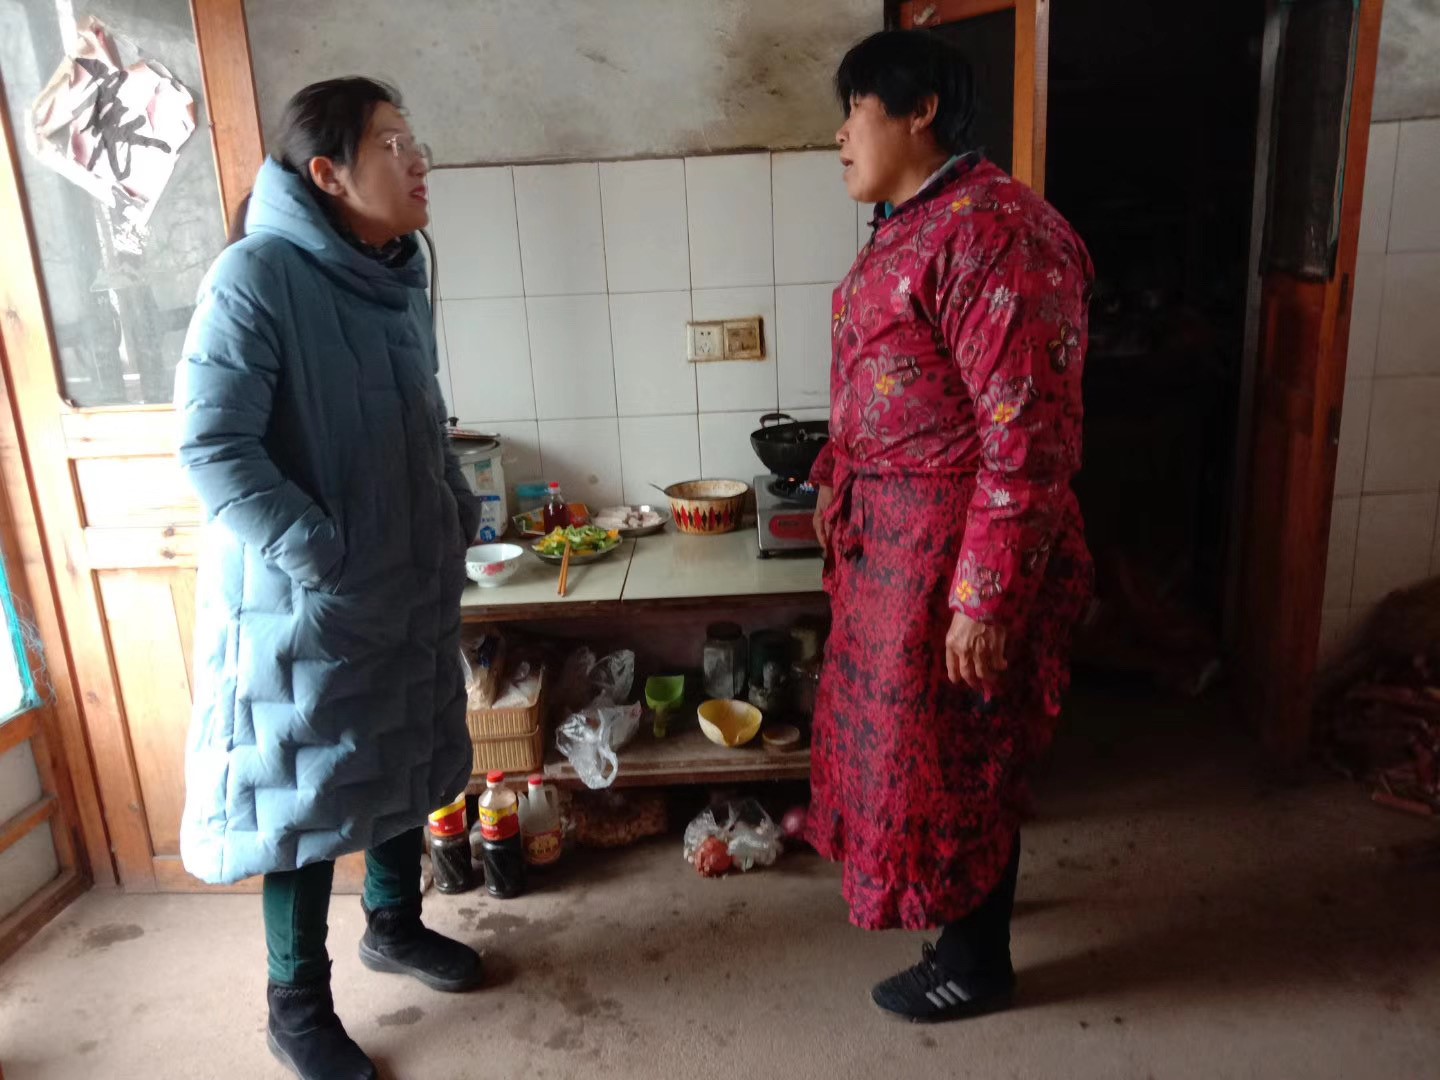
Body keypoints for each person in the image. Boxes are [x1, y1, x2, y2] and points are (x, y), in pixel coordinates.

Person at [176, 78, 482, 1079]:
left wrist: (453, 506)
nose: (417, 159)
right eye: (392, 143)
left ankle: (394, 923)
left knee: (401, 761)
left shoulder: (391, 275)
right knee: (302, 803)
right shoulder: (256, 276)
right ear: (329, 173)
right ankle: (295, 1004)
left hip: (402, 578)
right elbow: (214, 448)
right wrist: (323, 556)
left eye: (412, 139)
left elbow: (422, 415)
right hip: (309, 600)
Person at [806, 30, 1095, 1023]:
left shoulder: (998, 234)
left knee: (965, 752)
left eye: (854, 110)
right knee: (922, 756)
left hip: (956, 556)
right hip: (896, 552)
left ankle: (976, 961)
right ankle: (960, 919)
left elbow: (1030, 439)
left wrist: (985, 596)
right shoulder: (916, 224)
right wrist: (839, 487)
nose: (841, 135)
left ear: (920, 109)